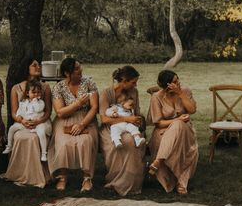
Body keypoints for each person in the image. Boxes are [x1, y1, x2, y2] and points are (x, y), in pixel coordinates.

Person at [49, 57, 99, 192]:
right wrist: (78, 103)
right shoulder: (58, 87)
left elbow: (94, 108)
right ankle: (63, 177)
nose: (80, 70)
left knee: (85, 142)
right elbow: (60, 112)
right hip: (65, 120)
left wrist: (82, 124)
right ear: (67, 73)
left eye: (79, 66)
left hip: (86, 118)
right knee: (64, 143)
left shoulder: (89, 83)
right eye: (76, 69)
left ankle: (87, 178)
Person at [2, 57, 53, 188]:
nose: (38, 68)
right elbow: (14, 112)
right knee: (19, 136)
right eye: (34, 65)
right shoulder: (16, 88)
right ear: (27, 68)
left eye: (39, 65)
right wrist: (22, 121)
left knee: (34, 138)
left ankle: (39, 173)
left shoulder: (45, 87)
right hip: (23, 123)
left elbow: (48, 112)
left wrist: (38, 121)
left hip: (41, 122)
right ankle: (19, 172)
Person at [147, 70, 198, 195]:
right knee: (177, 124)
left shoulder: (185, 91)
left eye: (178, 80)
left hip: (185, 130)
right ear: (167, 85)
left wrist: (180, 93)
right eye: (175, 82)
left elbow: (192, 110)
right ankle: (179, 181)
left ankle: (159, 160)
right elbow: (158, 123)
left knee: (180, 124)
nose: (178, 83)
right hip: (163, 131)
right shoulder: (157, 97)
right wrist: (177, 120)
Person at [98, 66, 146, 196]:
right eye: (133, 82)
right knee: (119, 143)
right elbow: (104, 119)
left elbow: (136, 112)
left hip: (130, 126)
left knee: (131, 140)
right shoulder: (106, 93)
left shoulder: (134, 92)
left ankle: (132, 181)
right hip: (111, 127)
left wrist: (137, 119)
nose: (135, 85)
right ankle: (116, 180)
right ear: (124, 80)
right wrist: (127, 118)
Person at [4, 79, 51, 161]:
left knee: (41, 132)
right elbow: (20, 110)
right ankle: (9, 146)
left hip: (38, 122)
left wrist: (35, 101)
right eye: (34, 92)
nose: (36, 94)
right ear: (27, 93)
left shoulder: (40, 102)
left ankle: (44, 153)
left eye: (38, 92)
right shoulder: (24, 101)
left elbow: (38, 109)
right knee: (12, 128)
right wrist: (19, 117)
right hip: (26, 122)